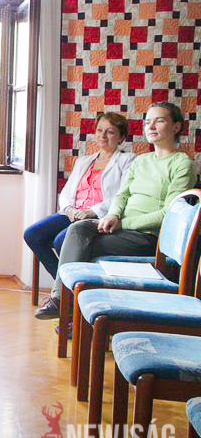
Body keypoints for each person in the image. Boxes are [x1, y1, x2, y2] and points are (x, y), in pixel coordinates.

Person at [35, 102, 196, 320]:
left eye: (159, 121)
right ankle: (62, 300)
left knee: (81, 246)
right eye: (148, 122)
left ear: (176, 126)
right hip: (122, 228)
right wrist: (113, 214)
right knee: (78, 229)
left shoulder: (182, 163)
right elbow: (122, 195)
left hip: (147, 236)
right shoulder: (142, 161)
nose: (151, 126)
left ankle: (75, 313)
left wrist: (123, 223)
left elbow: (168, 213)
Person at [24, 112, 134, 280]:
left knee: (61, 240)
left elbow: (123, 194)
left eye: (110, 131)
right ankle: (64, 284)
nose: (103, 135)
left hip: (98, 217)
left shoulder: (128, 160)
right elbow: (66, 192)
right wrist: (69, 209)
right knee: (32, 234)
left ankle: (70, 287)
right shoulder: (84, 161)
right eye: (99, 130)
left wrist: (91, 211)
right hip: (73, 214)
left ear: (121, 137)